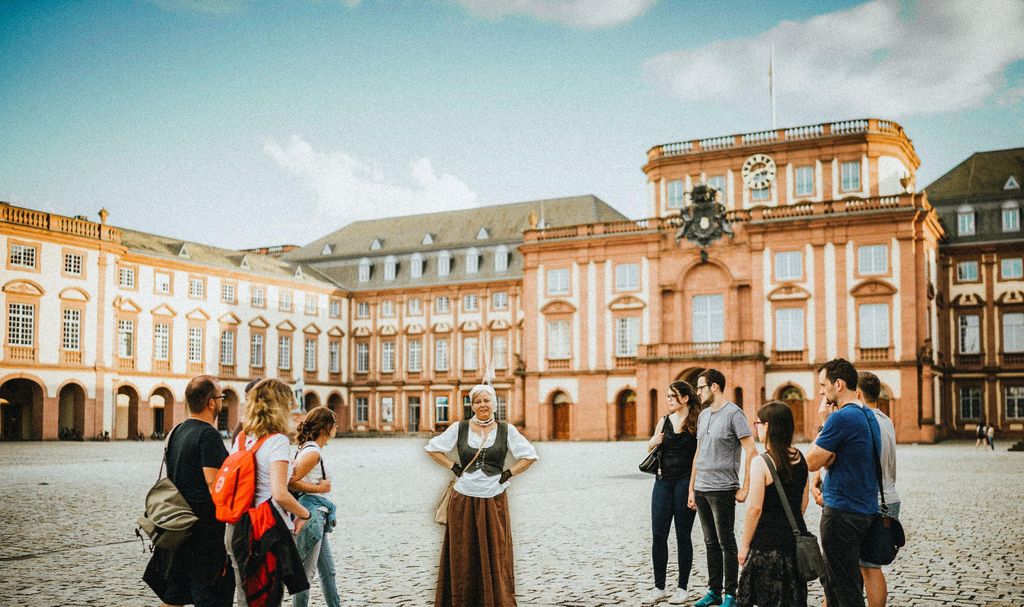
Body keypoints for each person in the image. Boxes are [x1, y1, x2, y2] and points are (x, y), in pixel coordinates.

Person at [425, 384, 538, 607]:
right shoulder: (460, 428)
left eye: (487, 400)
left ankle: (494, 600)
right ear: (472, 405)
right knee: (463, 552)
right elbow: (432, 448)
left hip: (493, 498)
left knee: (495, 551)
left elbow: (530, 456)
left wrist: (507, 474)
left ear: (494, 403)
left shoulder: (506, 430)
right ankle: (462, 601)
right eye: (478, 401)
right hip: (463, 498)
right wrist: (454, 467)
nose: (483, 405)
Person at [144, 375, 235, 607]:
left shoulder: (177, 431)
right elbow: (214, 485)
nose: (222, 401)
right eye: (221, 397)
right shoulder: (209, 436)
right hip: (203, 533)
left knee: (174, 595)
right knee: (209, 595)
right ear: (212, 403)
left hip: (178, 528)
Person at [225, 378, 313, 607]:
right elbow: (279, 494)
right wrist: (305, 513)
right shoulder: (278, 441)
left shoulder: (242, 438)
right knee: (268, 595)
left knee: (246, 595)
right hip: (266, 530)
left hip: (237, 527)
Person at [806, 359, 881, 607]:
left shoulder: (841, 419)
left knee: (844, 587)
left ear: (838, 384)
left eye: (822, 385)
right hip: (865, 509)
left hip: (842, 514)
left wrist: (824, 421)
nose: (820, 391)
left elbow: (812, 461)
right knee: (841, 581)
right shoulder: (868, 415)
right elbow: (832, 459)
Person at [689, 369, 758, 607]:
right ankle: (714, 591)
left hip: (723, 489)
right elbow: (698, 453)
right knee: (709, 543)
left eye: (701, 387)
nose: (698, 392)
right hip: (701, 489)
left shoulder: (733, 414)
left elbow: (752, 452)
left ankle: (731, 594)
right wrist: (691, 489)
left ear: (714, 387)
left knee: (725, 541)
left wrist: (745, 487)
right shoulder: (703, 415)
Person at [736, 401, 810, 607]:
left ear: (767, 426)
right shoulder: (800, 458)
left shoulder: (762, 462)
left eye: (758, 423)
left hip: (766, 547)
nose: (756, 427)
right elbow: (804, 501)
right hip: (793, 544)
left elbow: (754, 509)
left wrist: (743, 547)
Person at [644, 381, 702, 605]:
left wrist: (692, 490)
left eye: (672, 396)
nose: (668, 399)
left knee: (682, 536)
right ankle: (659, 587)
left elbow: (698, 458)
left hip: (685, 482)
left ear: (685, 398)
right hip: (662, 482)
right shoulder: (664, 421)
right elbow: (650, 448)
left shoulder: (696, 423)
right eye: (667, 396)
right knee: (659, 535)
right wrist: (653, 441)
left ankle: (682, 588)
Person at [289, 406, 341, 607]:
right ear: (325, 427)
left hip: (318, 512)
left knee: (328, 571)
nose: (336, 428)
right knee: (306, 575)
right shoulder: (313, 453)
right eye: (334, 424)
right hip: (311, 514)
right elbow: (290, 482)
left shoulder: (311, 449)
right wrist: (320, 488)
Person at [856, 372, 900, 607]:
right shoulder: (886, 419)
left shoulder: (862, 420)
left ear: (858, 393)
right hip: (889, 496)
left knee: (868, 568)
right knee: (871, 567)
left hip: (871, 501)